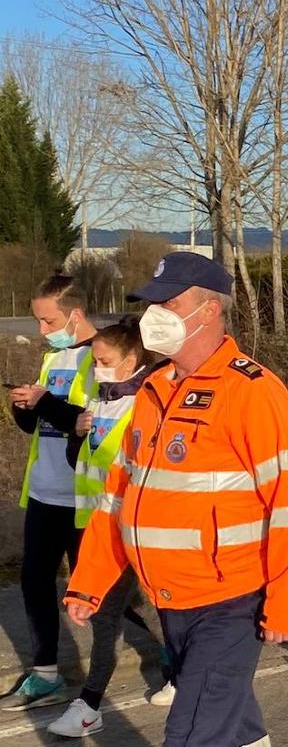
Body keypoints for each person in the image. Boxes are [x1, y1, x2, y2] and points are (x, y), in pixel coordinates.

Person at [65, 252, 288, 747]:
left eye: (167, 302)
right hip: (171, 602)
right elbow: (119, 496)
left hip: (229, 604)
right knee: (236, 729)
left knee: (190, 734)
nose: (152, 314)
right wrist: (88, 582)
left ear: (208, 311)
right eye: (150, 302)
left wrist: (286, 605)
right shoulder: (155, 388)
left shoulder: (254, 392)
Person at [21, 318, 172, 736]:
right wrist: (77, 433)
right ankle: (180, 665)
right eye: (95, 362)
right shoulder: (103, 401)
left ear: (131, 360)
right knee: (134, 605)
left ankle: (88, 705)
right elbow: (85, 463)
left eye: (104, 361)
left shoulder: (145, 404)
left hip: (132, 528)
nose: (98, 368)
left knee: (107, 615)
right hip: (97, 527)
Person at [2, 275, 97, 712]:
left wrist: (45, 403)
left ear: (75, 315)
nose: (42, 329)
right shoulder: (52, 359)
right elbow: (40, 424)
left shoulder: (101, 358)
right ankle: (45, 675)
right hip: (44, 492)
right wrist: (22, 406)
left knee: (95, 592)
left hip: (83, 497)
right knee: (35, 582)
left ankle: (160, 656)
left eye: (48, 320)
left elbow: (90, 421)